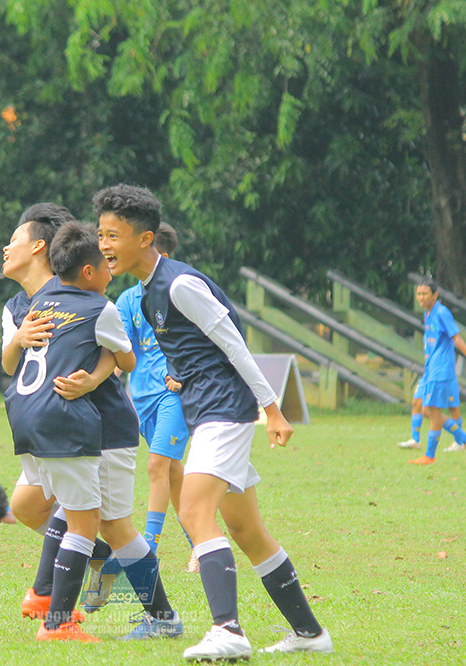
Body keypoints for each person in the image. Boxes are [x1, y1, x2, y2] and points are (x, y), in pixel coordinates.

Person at [95, 184, 332, 661]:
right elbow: (193, 351)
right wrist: (180, 378)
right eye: (100, 234)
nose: (103, 245)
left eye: (113, 235)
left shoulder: (181, 284)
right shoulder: (144, 296)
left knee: (195, 512)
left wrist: (273, 409)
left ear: (146, 238)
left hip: (224, 411)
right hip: (205, 409)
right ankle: (310, 633)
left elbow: (233, 344)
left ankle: (228, 630)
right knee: (247, 532)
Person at [6, 219, 181, 642]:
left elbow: (111, 358)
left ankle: (60, 600)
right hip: (84, 427)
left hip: (50, 423)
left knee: (98, 522)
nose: (110, 266)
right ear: (87, 269)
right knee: (103, 523)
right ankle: (62, 618)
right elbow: (127, 359)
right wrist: (91, 378)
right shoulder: (91, 305)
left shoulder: (44, 302)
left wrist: (92, 378)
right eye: (103, 259)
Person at [1, 203, 110, 625]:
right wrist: (20, 338)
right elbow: (8, 363)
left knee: (77, 509)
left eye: (14, 240)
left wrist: (94, 381)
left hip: (80, 419)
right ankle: (98, 556)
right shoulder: (15, 306)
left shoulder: (76, 288)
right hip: (40, 419)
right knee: (27, 507)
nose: (6, 248)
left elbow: (113, 350)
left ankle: (46, 597)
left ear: (39, 246)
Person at [114, 222, 196, 571]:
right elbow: (121, 352)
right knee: (172, 473)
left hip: (174, 394)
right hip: (141, 399)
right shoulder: (127, 300)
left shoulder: (181, 292)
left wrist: (186, 374)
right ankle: (202, 544)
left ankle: (149, 548)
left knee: (157, 465)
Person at [407, 279, 466, 465]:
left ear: (435, 295)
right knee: (427, 409)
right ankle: (465, 439)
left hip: (440, 369)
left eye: (424, 294)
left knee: (433, 411)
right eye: (418, 294)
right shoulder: (428, 313)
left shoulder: (442, 313)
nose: (420, 297)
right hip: (431, 369)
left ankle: (430, 455)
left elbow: (457, 338)